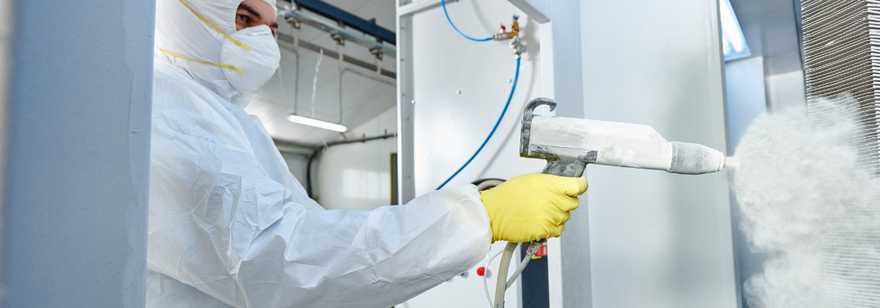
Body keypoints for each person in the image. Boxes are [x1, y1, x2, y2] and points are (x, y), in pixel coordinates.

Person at [147, 0, 587, 307]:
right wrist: (476, 218)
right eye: (244, 16)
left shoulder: (222, 116)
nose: (264, 39)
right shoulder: (166, 110)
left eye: (273, 28)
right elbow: (281, 259)